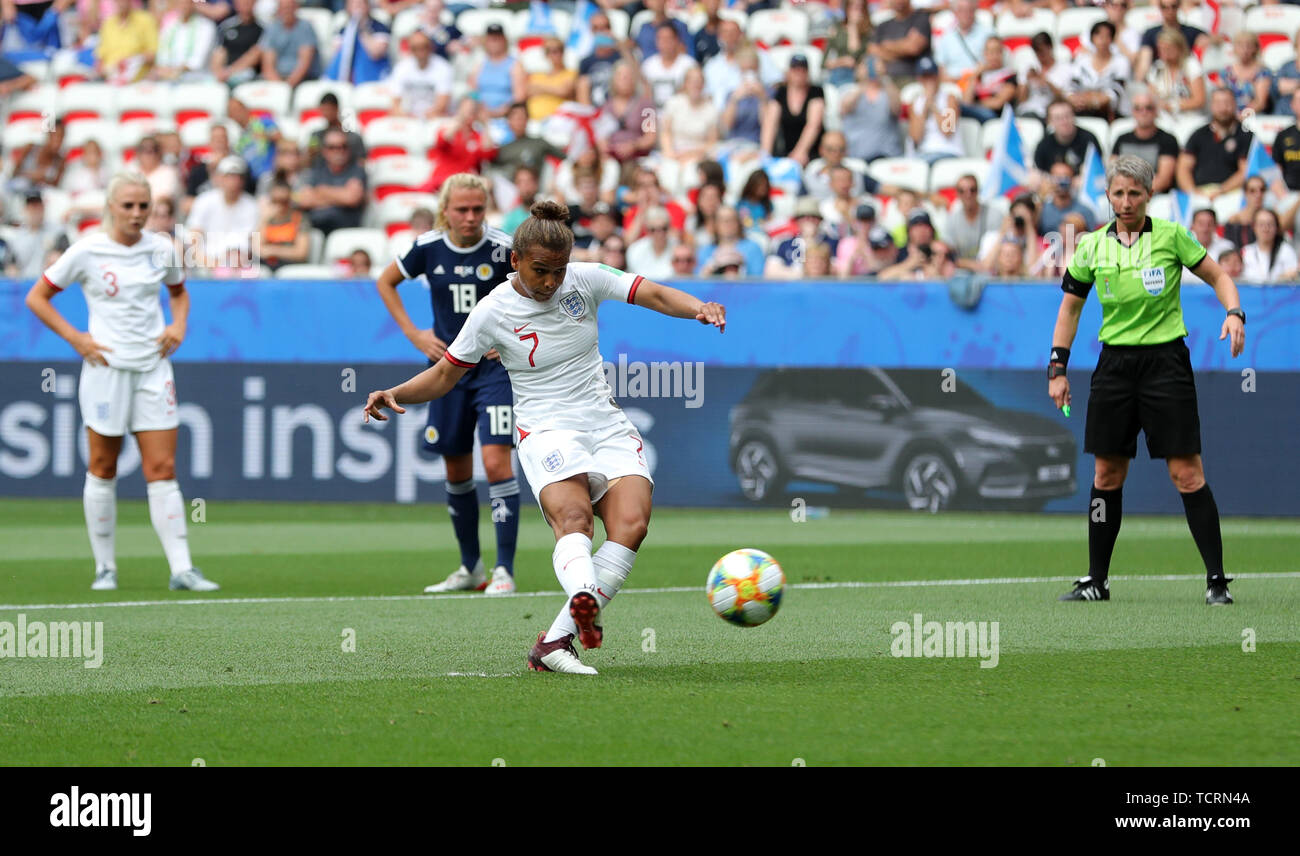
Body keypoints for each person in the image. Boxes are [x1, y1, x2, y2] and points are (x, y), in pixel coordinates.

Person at [363, 200, 727, 674]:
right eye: (540, 271)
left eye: (558, 270)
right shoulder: (492, 311)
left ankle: (553, 643)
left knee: (632, 524)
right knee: (576, 519)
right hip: (547, 430)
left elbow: (652, 294)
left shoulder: (586, 278)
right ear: (515, 261)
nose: (552, 282)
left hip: (607, 425)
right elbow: (444, 376)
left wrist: (700, 308)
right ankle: (583, 599)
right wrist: (396, 393)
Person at [1049, 154, 1245, 605]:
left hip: (1166, 366)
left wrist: (1234, 313)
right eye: (1118, 193)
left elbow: (1219, 277)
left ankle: (1217, 581)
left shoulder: (1173, 237)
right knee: (1106, 473)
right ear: (1108, 196)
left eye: (1134, 193)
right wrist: (1057, 368)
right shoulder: (1092, 246)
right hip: (1114, 368)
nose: (1126, 201)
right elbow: (1070, 311)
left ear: (1149, 194)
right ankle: (1097, 581)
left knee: (1187, 474)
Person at [23, 172, 218, 593]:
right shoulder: (87, 250)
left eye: (143, 206)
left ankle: (182, 568)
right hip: (106, 370)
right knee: (103, 466)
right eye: (127, 205)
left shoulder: (161, 249)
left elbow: (179, 293)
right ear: (111, 206)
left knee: (162, 468)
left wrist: (178, 325)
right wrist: (76, 338)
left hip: (152, 367)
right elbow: (37, 296)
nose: (136, 213)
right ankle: (105, 568)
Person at [373, 173, 521, 596]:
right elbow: (385, 282)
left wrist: (510, 334)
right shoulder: (428, 248)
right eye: (462, 209)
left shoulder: (503, 248)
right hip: (447, 371)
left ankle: (504, 570)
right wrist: (415, 334)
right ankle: (470, 566)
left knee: (495, 464)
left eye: (478, 208)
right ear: (446, 210)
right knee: (456, 468)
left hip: (494, 371)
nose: (471, 217)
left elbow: (535, 290)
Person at [1177, 87, 1252, 202]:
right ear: (1211, 106)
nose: (1222, 108)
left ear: (1235, 105)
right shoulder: (1199, 135)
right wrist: (1193, 192)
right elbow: (1183, 168)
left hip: (1231, 194)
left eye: (1227, 103)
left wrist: (1221, 190)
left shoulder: (1245, 135)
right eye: (1218, 103)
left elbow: (1245, 171)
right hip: (1199, 193)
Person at [187, 155, 259, 273]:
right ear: (220, 178)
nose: (234, 181)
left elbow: (252, 242)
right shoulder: (204, 200)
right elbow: (194, 238)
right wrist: (208, 262)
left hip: (240, 262)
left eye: (238, 177)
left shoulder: (251, 205)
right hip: (207, 261)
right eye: (229, 176)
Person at [295, 128, 366, 235]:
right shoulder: (316, 170)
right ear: (324, 151)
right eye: (332, 147)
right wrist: (340, 196)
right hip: (315, 228)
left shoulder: (356, 170)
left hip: (345, 230)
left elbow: (351, 198)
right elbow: (304, 200)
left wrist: (320, 191)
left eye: (343, 146)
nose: (339, 151)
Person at [1111, 88, 1179, 195]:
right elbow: (1112, 172)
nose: (1143, 112)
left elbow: (1164, 180)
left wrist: (1136, 194)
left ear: (1156, 111)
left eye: (1149, 108)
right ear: (1132, 112)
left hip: (1154, 196)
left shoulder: (1168, 140)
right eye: (1138, 108)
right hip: (1124, 194)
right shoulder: (1121, 139)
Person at [760, 54, 824, 166]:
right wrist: (766, 153)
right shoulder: (781, 92)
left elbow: (814, 125)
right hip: (786, 150)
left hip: (812, 151)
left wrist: (800, 151)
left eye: (802, 69)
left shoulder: (816, 91)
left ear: (807, 72)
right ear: (789, 71)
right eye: (795, 69)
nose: (799, 73)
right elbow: (770, 124)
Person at [389, 29, 453, 119]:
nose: (420, 52)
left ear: (431, 47)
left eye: (424, 47)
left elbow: (442, 104)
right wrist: (405, 117)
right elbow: (395, 102)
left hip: (434, 119)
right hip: (408, 117)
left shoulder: (443, 68)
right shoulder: (401, 68)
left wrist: (424, 119)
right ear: (410, 49)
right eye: (415, 48)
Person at [258, 0, 320, 87]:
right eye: (284, 8)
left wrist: (287, 86)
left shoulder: (305, 27)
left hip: (301, 81)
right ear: (278, 10)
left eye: (289, 8)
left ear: (296, 8)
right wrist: (279, 86)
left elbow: (304, 64)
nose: (286, 11)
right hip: (276, 81)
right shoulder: (272, 29)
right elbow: (268, 66)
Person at [212, 0, 263, 86]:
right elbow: (219, 51)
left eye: (248, 2)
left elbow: (255, 54)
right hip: (225, 72)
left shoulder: (262, 28)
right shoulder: (227, 26)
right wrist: (218, 72)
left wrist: (230, 72)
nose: (245, 4)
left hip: (248, 73)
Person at [1240, 208, 1299, 283]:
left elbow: (1293, 276)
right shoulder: (1246, 252)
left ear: (1276, 228)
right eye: (1261, 224)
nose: (1266, 229)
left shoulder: (1286, 251)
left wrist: (1282, 278)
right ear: (1254, 227)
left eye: (1270, 224)